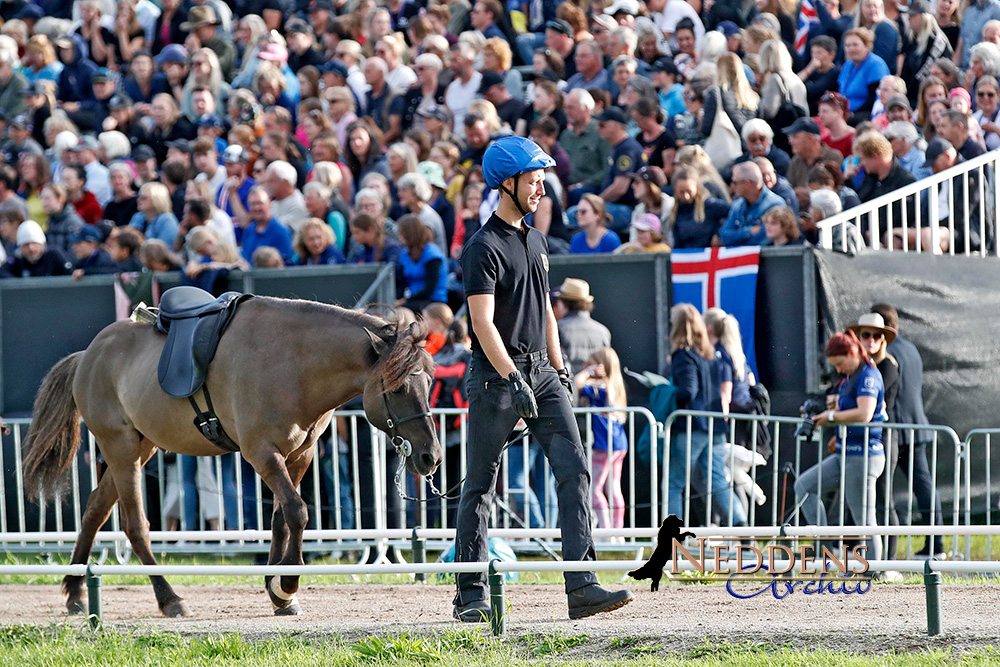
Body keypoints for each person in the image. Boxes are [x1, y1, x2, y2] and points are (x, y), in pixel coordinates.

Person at [455, 135, 633, 622]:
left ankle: (582, 584)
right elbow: (482, 324)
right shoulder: (482, 247)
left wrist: (559, 370)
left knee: (575, 470)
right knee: (481, 485)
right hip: (497, 378)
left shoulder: (535, 240)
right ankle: (470, 595)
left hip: (542, 372)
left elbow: (548, 315)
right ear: (506, 183)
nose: (541, 190)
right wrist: (514, 378)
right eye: (534, 182)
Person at [795, 329, 887, 564]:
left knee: (864, 519)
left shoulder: (868, 375)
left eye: (839, 363)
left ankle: (876, 571)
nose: (837, 369)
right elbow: (848, 408)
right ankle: (825, 548)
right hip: (846, 453)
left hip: (863, 456)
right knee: (804, 486)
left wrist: (832, 417)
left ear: (851, 353)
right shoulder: (852, 376)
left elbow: (865, 413)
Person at [870, 303, 945, 559]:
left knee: (882, 492)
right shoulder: (911, 348)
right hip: (916, 425)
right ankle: (936, 546)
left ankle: (875, 550)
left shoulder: (887, 353)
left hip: (897, 429)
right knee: (924, 487)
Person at [667, 303, 748, 527]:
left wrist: (664, 391)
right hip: (714, 426)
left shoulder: (684, 355)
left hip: (694, 427)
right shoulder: (709, 355)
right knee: (718, 480)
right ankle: (741, 525)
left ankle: (672, 538)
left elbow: (688, 391)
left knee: (674, 483)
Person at [848, 312, 900, 574]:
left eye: (876, 335)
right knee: (862, 501)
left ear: (883, 340)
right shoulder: (859, 368)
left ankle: (887, 562)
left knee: (884, 498)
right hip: (862, 439)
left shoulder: (887, 366)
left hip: (884, 438)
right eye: (865, 335)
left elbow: (874, 405)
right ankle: (864, 557)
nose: (870, 340)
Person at [575, 347, 628, 531]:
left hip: (604, 445)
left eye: (591, 364)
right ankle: (617, 531)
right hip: (619, 443)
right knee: (613, 488)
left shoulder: (599, 388)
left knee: (595, 489)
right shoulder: (615, 387)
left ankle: (606, 531)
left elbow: (577, 383)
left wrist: (587, 372)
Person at [551, 277, 612, 377]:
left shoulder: (558, 329)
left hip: (569, 388)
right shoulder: (603, 331)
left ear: (563, 303)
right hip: (596, 389)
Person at [719, 161, 785, 246]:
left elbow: (763, 240)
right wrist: (748, 231)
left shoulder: (775, 205)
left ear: (747, 183)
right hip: (741, 258)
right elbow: (724, 236)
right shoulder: (737, 205)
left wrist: (737, 238)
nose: (732, 186)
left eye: (735, 182)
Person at [395, 214, 447, 312]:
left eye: (402, 233)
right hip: (411, 298)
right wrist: (398, 299)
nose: (399, 236)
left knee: (402, 312)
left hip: (433, 300)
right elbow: (402, 282)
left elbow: (429, 288)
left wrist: (406, 300)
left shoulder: (432, 254)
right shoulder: (404, 254)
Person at [838, 28, 891, 123]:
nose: (851, 49)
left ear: (866, 45)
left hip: (866, 113)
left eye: (855, 45)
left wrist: (851, 114)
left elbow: (873, 99)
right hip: (844, 111)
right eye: (847, 45)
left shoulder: (875, 64)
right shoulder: (847, 65)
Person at [670, 167, 729, 249]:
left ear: (696, 186)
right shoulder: (676, 211)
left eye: (689, 191)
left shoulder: (709, 205)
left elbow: (733, 213)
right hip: (687, 256)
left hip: (709, 255)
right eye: (681, 192)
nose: (686, 196)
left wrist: (719, 233)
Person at [0, 219, 73, 278]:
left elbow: (70, 274)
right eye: (26, 245)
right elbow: (3, 272)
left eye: (34, 243)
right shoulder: (18, 261)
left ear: (42, 243)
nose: (31, 248)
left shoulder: (54, 256)